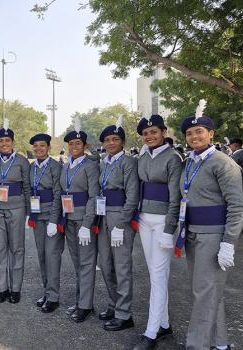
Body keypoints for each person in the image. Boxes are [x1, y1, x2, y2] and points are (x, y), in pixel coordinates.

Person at [176, 100, 243, 350]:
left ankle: (197, 345)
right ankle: (220, 343)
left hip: (214, 237)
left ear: (211, 134)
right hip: (194, 234)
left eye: (199, 131)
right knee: (209, 291)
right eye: (189, 133)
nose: (194, 136)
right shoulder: (190, 162)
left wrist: (228, 243)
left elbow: (238, 206)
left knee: (203, 294)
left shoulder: (222, 162)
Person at [132, 115, 181, 350]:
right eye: (145, 133)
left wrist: (169, 228)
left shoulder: (173, 157)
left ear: (163, 132)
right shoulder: (142, 156)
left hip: (163, 221)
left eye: (154, 132)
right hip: (144, 219)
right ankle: (164, 324)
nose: (149, 136)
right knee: (154, 272)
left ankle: (151, 333)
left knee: (159, 274)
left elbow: (175, 198)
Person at [96, 115, 139, 332]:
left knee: (121, 266)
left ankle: (124, 313)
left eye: (115, 139)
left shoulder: (129, 162)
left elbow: (132, 196)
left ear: (122, 141)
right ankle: (113, 305)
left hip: (119, 216)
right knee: (106, 264)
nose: (110, 143)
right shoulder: (104, 162)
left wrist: (122, 224)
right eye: (107, 140)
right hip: (103, 215)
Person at [0, 118, 31, 304]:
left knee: (17, 249)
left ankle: (16, 289)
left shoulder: (21, 160)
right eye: (1, 141)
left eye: (7, 141)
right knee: (0, 249)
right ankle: (2, 288)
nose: (4, 144)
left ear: (13, 142)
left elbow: (27, 187)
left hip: (17, 208)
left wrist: (29, 213)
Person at [60, 123, 100, 323]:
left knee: (86, 263)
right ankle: (80, 301)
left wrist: (87, 224)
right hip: (69, 220)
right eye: (71, 143)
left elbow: (93, 197)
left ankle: (85, 305)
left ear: (85, 145)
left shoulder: (90, 166)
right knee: (77, 263)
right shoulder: (66, 166)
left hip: (84, 221)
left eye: (78, 143)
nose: (74, 146)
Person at [26, 133, 62, 313]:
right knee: (41, 255)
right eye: (36, 146)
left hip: (50, 216)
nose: (38, 149)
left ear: (48, 148)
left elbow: (58, 194)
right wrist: (29, 214)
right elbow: (28, 190)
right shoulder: (32, 167)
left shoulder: (55, 166)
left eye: (42, 146)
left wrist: (54, 220)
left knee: (52, 256)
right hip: (37, 215)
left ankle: (54, 297)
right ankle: (47, 292)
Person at [228, 138, 243, 230]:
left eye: (230, 145)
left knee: (239, 202)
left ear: (236, 145)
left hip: (240, 181)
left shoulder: (237, 155)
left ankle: (241, 225)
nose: (229, 147)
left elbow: (229, 168)